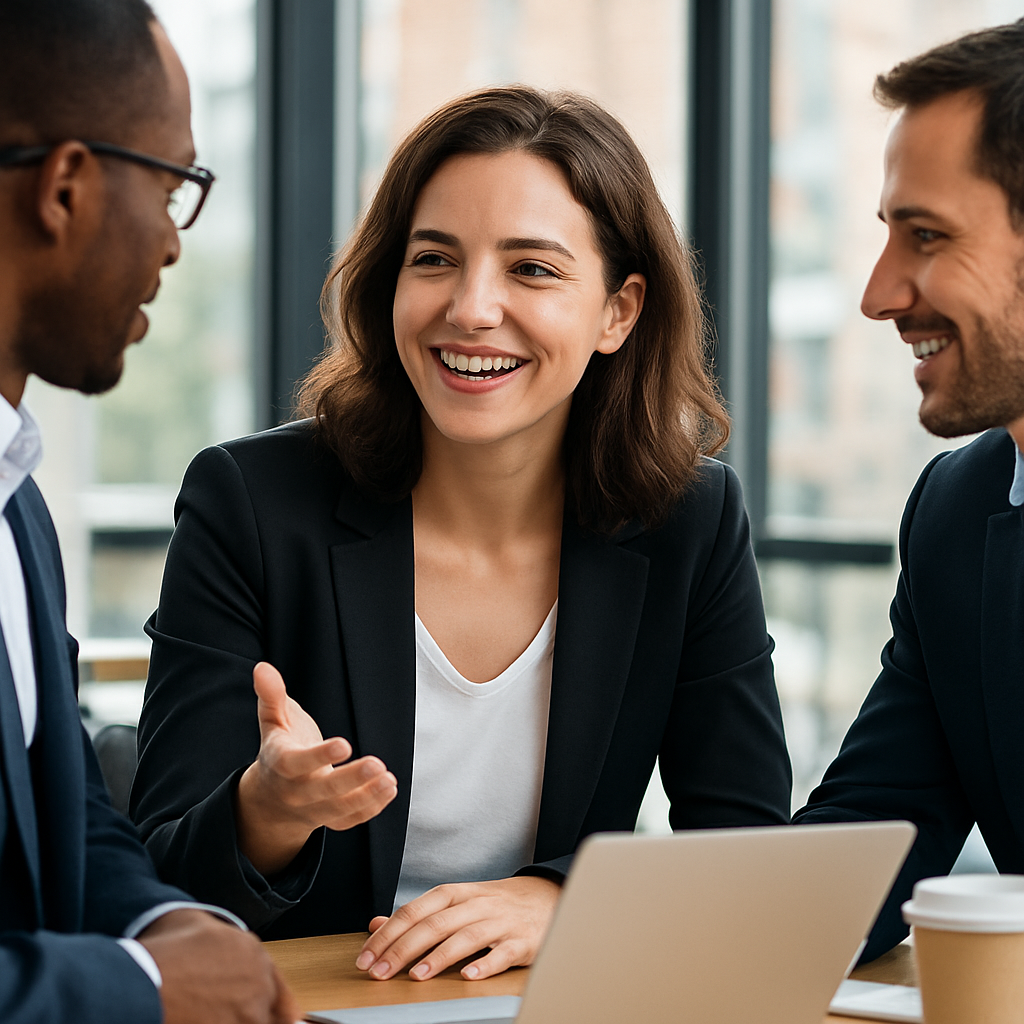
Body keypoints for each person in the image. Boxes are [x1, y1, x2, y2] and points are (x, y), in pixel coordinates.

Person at [132, 85, 792, 983]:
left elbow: (747, 852)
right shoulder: (250, 501)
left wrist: (572, 900)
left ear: (619, 311)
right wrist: (268, 812)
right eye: (434, 259)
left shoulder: (690, 520)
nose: (472, 309)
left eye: (532, 269)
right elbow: (155, 883)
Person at [0, 2, 298, 1022]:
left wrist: (164, 924)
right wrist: (141, 987)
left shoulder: (17, 507)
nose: (173, 243)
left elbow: (70, 813)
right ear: (66, 186)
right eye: (174, 187)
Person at [794, 18, 1024, 961]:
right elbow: (870, 843)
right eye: (888, 235)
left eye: (925, 236)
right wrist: (576, 916)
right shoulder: (959, 513)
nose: (881, 293)